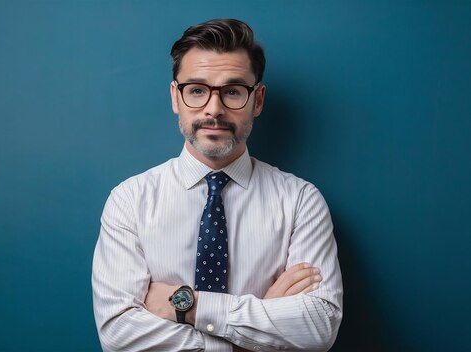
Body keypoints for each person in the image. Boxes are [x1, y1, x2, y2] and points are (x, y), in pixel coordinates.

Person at [92, 18, 343, 351]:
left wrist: (188, 306)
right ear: (175, 98)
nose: (214, 109)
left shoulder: (300, 201)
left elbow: (319, 325)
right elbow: (118, 335)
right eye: (197, 90)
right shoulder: (129, 200)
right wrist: (249, 336)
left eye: (233, 91)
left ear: (257, 100)